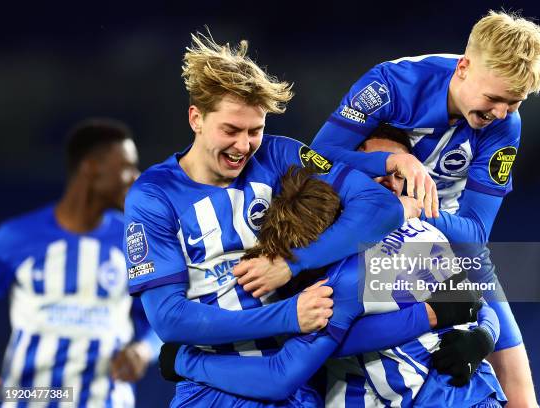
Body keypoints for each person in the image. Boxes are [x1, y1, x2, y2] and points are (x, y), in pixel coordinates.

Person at [124, 33, 406, 407]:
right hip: (213, 390)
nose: (243, 145)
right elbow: (170, 319)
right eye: (230, 130)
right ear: (196, 118)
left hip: (296, 389)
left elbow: (382, 206)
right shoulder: (153, 195)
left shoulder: (280, 154)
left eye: (254, 131)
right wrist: (287, 315)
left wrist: (292, 263)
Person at [310, 11, 540, 406]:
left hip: (444, 239)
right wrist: (392, 164)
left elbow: (476, 232)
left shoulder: (506, 127)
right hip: (359, 235)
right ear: (463, 68)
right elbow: (315, 160)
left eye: (514, 104)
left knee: (522, 397)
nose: (500, 113)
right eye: (494, 99)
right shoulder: (389, 85)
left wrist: (410, 210)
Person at [159, 126, 504, 407]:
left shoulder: (348, 272)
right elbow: (463, 300)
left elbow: (283, 371)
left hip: (442, 395)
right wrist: (446, 316)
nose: (388, 182)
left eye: (398, 172)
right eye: (379, 167)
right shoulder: (412, 232)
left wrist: (184, 361)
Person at [0, 119, 160, 407]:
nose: (137, 177)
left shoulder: (135, 241)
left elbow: (163, 320)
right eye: (127, 166)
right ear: (91, 168)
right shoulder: (15, 238)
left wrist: (143, 351)